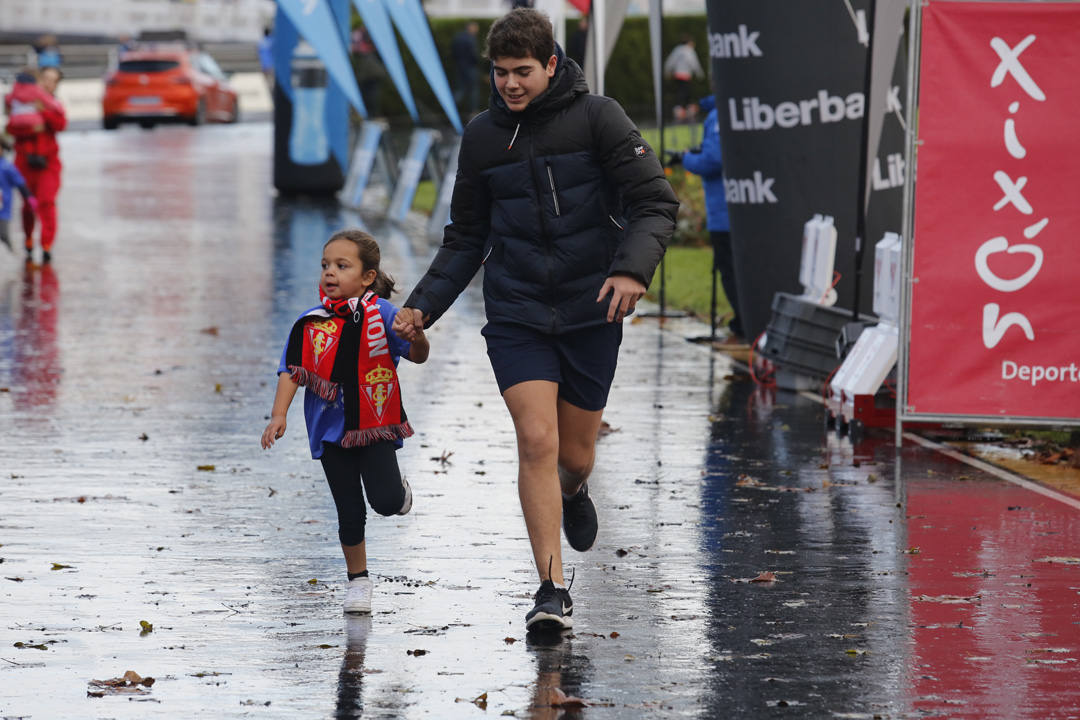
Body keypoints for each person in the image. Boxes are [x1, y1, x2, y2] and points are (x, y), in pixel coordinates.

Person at [392, 8, 677, 634]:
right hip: (517, 311)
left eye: (523, 72)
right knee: (536, 440)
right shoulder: (483, 136)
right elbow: (465, 236)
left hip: (590, 309)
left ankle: (574, 491)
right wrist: (421, 308)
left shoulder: (599, 117)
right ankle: (550, 589)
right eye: (500, 73)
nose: (510, 85)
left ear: (552, 64)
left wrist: (631, 270)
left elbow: (655, 202)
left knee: (574, 456)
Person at [261, 229, 430, 615]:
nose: (330, 273)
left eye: (342, 265)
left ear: (368, 276)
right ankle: (358, 581)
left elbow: (418, 354)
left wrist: (416, 335)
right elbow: (292, 370)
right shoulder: (312, 322)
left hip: (374, 424)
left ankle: (398, 492)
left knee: (385, 502)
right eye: (325, 266)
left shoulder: (386, 315)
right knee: (349, 510)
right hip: (330, 430)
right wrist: (278, 415)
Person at [670, 95, 743, 343]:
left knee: (731, 271)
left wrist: (685, 159)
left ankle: (743, 325)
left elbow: (713, 160)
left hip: (724, 209)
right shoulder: (738, 105)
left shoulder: (717, 115)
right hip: (740, 205)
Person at [4, 67, 66, 263]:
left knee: (46, 202)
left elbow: (61, 124)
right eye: (45, 78)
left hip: (48, 163)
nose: (48, 83)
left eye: (52, 80)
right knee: (28, 205)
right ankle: (29, 240)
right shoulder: (21, 101)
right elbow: (10, 128)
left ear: (56, 85)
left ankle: (46, 245)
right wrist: (31, 128)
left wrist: (44, 113)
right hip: (25, 161)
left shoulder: (52, 105)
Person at [0, 134, 37, 253]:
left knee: (3, 235)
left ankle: (15, 253)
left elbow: (20, 183)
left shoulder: (7, 167)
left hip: (3, 210)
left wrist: (29, 197)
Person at [663, 36, 703, 123]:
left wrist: (667, 72)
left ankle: (680, 109)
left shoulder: (677, 50)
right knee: (685, 93)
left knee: (680, 92)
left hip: (677, 75)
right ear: (689, 42)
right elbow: (693, 63)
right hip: (686, 75)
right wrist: (699, 74)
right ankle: (684, 109)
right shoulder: (689, 50)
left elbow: (670, 62)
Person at [451, 21, 480, 117]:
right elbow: (473, 55)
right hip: (470, 67)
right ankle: (473, 112)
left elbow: (453, 52)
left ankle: (451, 109)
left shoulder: (457, 37)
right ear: (470, 27)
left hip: (459, 67)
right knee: (473, 90)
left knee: (460, 90)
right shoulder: (470, 39)